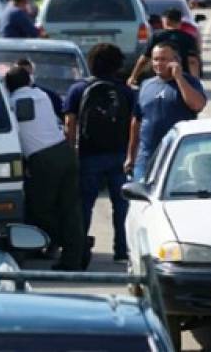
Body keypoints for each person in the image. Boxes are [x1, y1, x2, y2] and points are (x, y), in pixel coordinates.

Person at [5, 67, 85, 270]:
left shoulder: (13, 103)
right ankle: (75, 255)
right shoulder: (41, 95)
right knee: (69, 209)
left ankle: (68, 243)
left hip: (44, 159)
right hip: (64, 152)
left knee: (39, 209)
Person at [64, 44, 134, 263]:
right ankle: (121, 251)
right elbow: (135, 124)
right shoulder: (126, 91)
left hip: (88, 154)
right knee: (121, 205)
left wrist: (72, 151)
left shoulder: (78, 90)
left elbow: (69, 124)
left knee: (85, 204)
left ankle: (81, 248)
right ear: (118, 65)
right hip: (119, 155)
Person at [125, 42, 206, 181]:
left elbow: (197, 105)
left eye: (164, 59)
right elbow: (136, 122)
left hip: (180, 158)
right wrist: (130, 157)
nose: (158, 63)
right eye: (156, 59)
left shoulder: (190, 82)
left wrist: (179, 77)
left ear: (175, 61)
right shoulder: (146, 85)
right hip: (146, 158)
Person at [127, 8, 200, 85]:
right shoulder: (188, 38)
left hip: (161, 78)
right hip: (183, 79)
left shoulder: (157, 36)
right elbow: (192, 61)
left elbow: (144, 59)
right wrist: (195, 81)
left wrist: (133, 76)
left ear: (164, 20)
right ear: (180, 21)